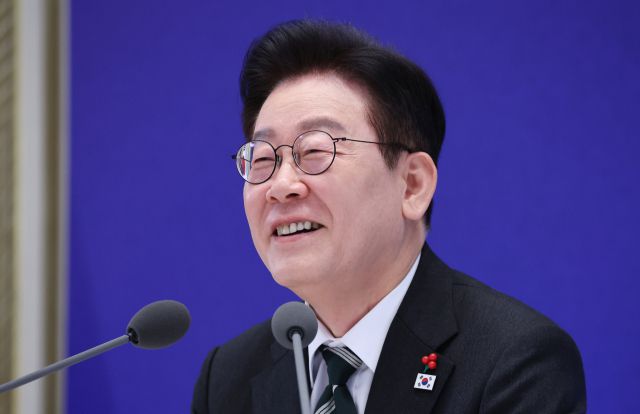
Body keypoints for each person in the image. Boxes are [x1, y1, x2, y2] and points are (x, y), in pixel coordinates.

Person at [192, 19, 586, 413]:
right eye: (263, 159)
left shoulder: (515, 362)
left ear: (412, 185)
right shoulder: (227, 377)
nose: (280, 186)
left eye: (314, 152)